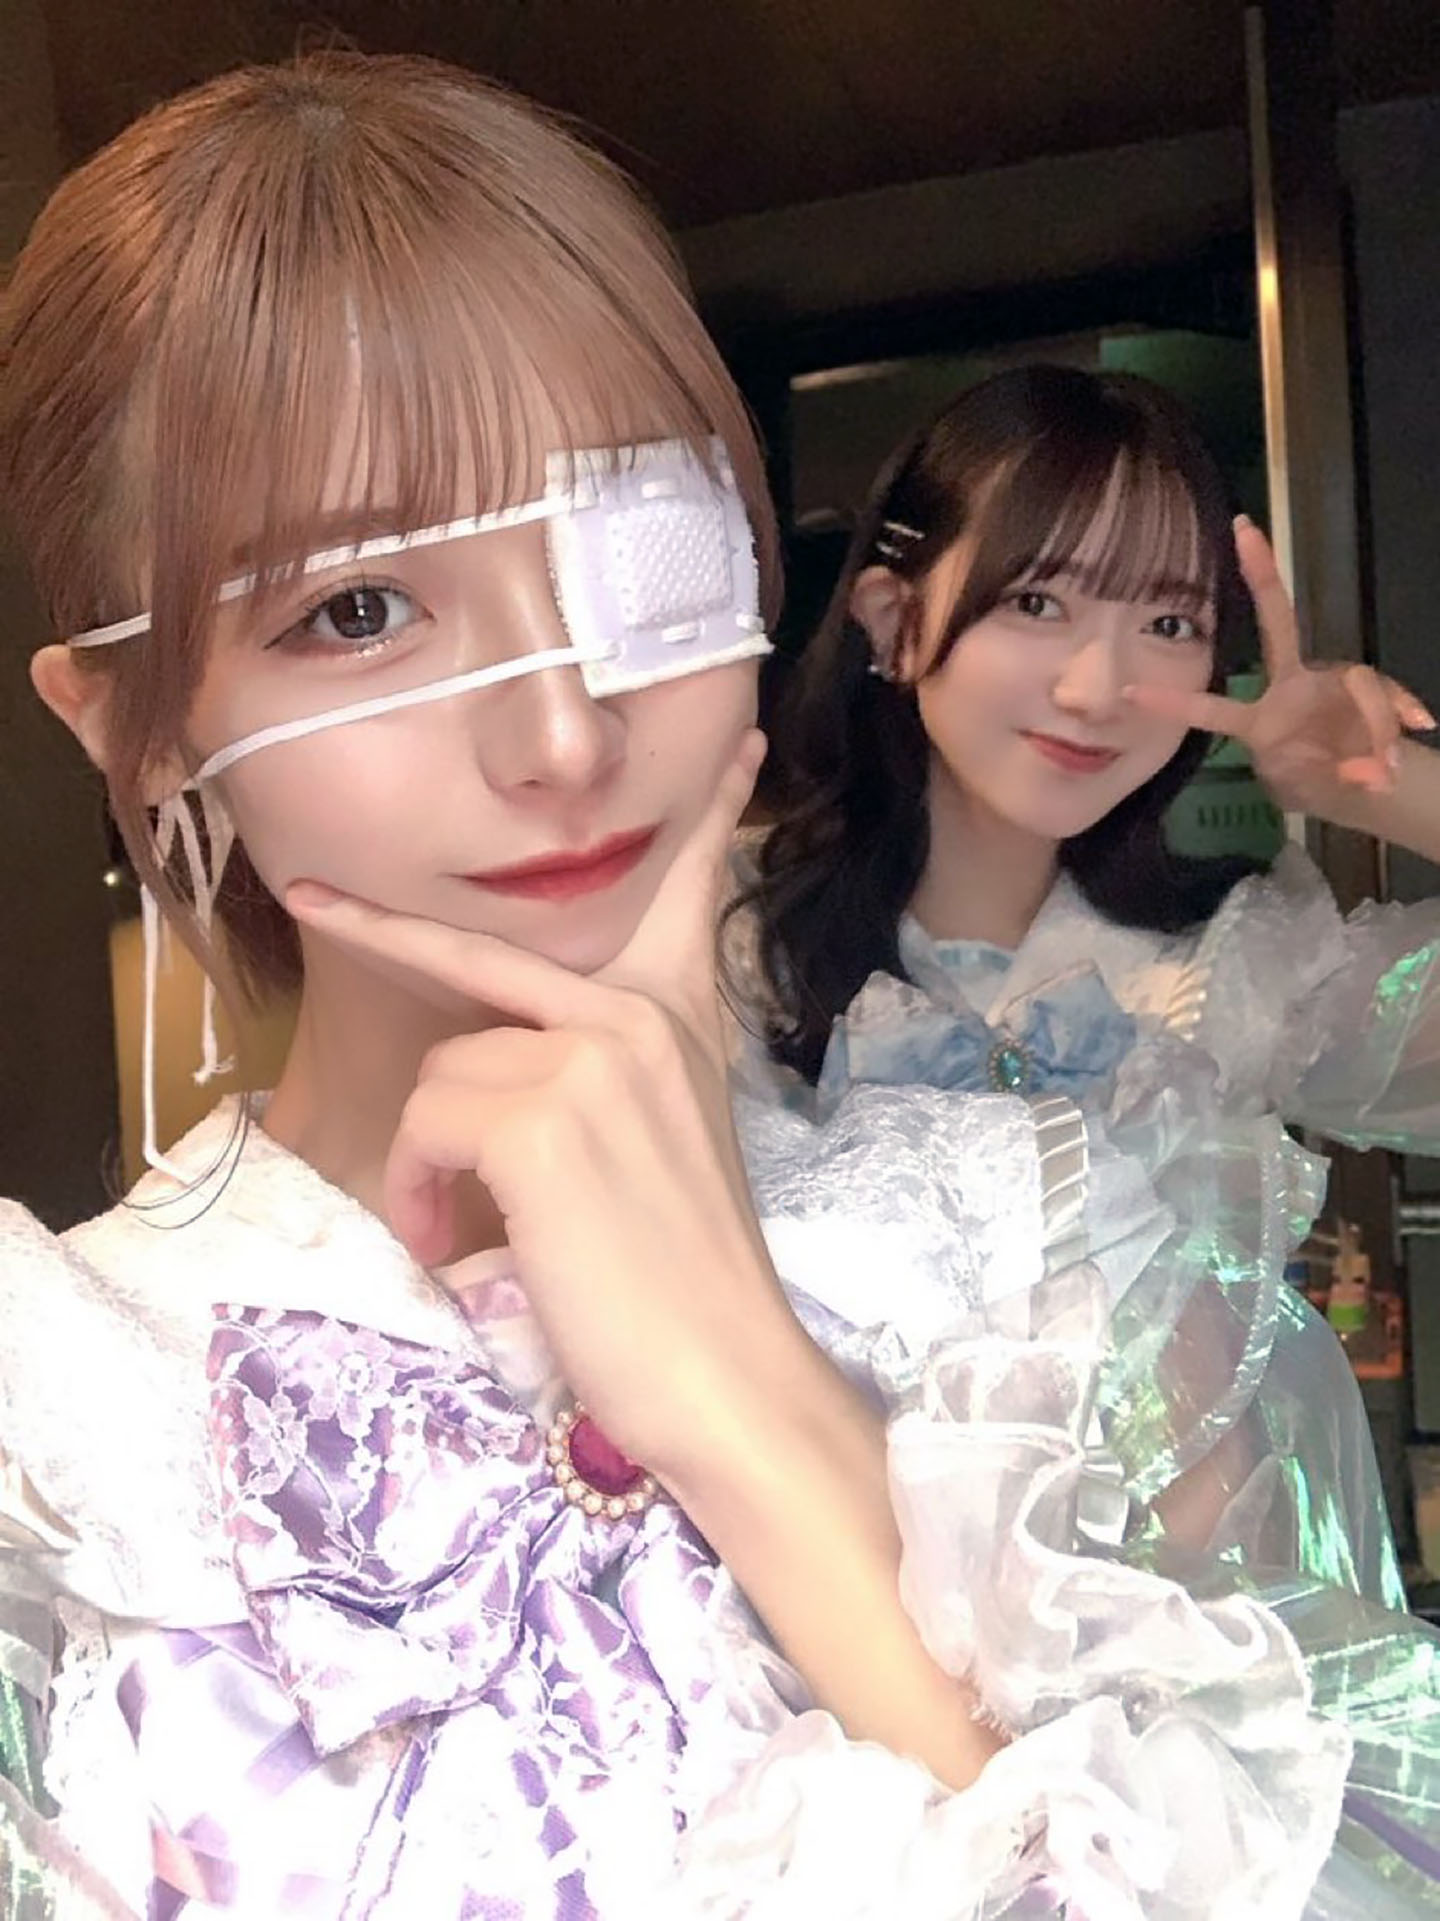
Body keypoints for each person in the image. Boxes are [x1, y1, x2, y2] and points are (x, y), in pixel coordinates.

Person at [0, 59, 1435, 1919]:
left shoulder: (1079, 1274)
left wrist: (753, 1398)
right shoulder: (58, 1430)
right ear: (130, 725)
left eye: (640, 555)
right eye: (355, 609)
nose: (563, 731)